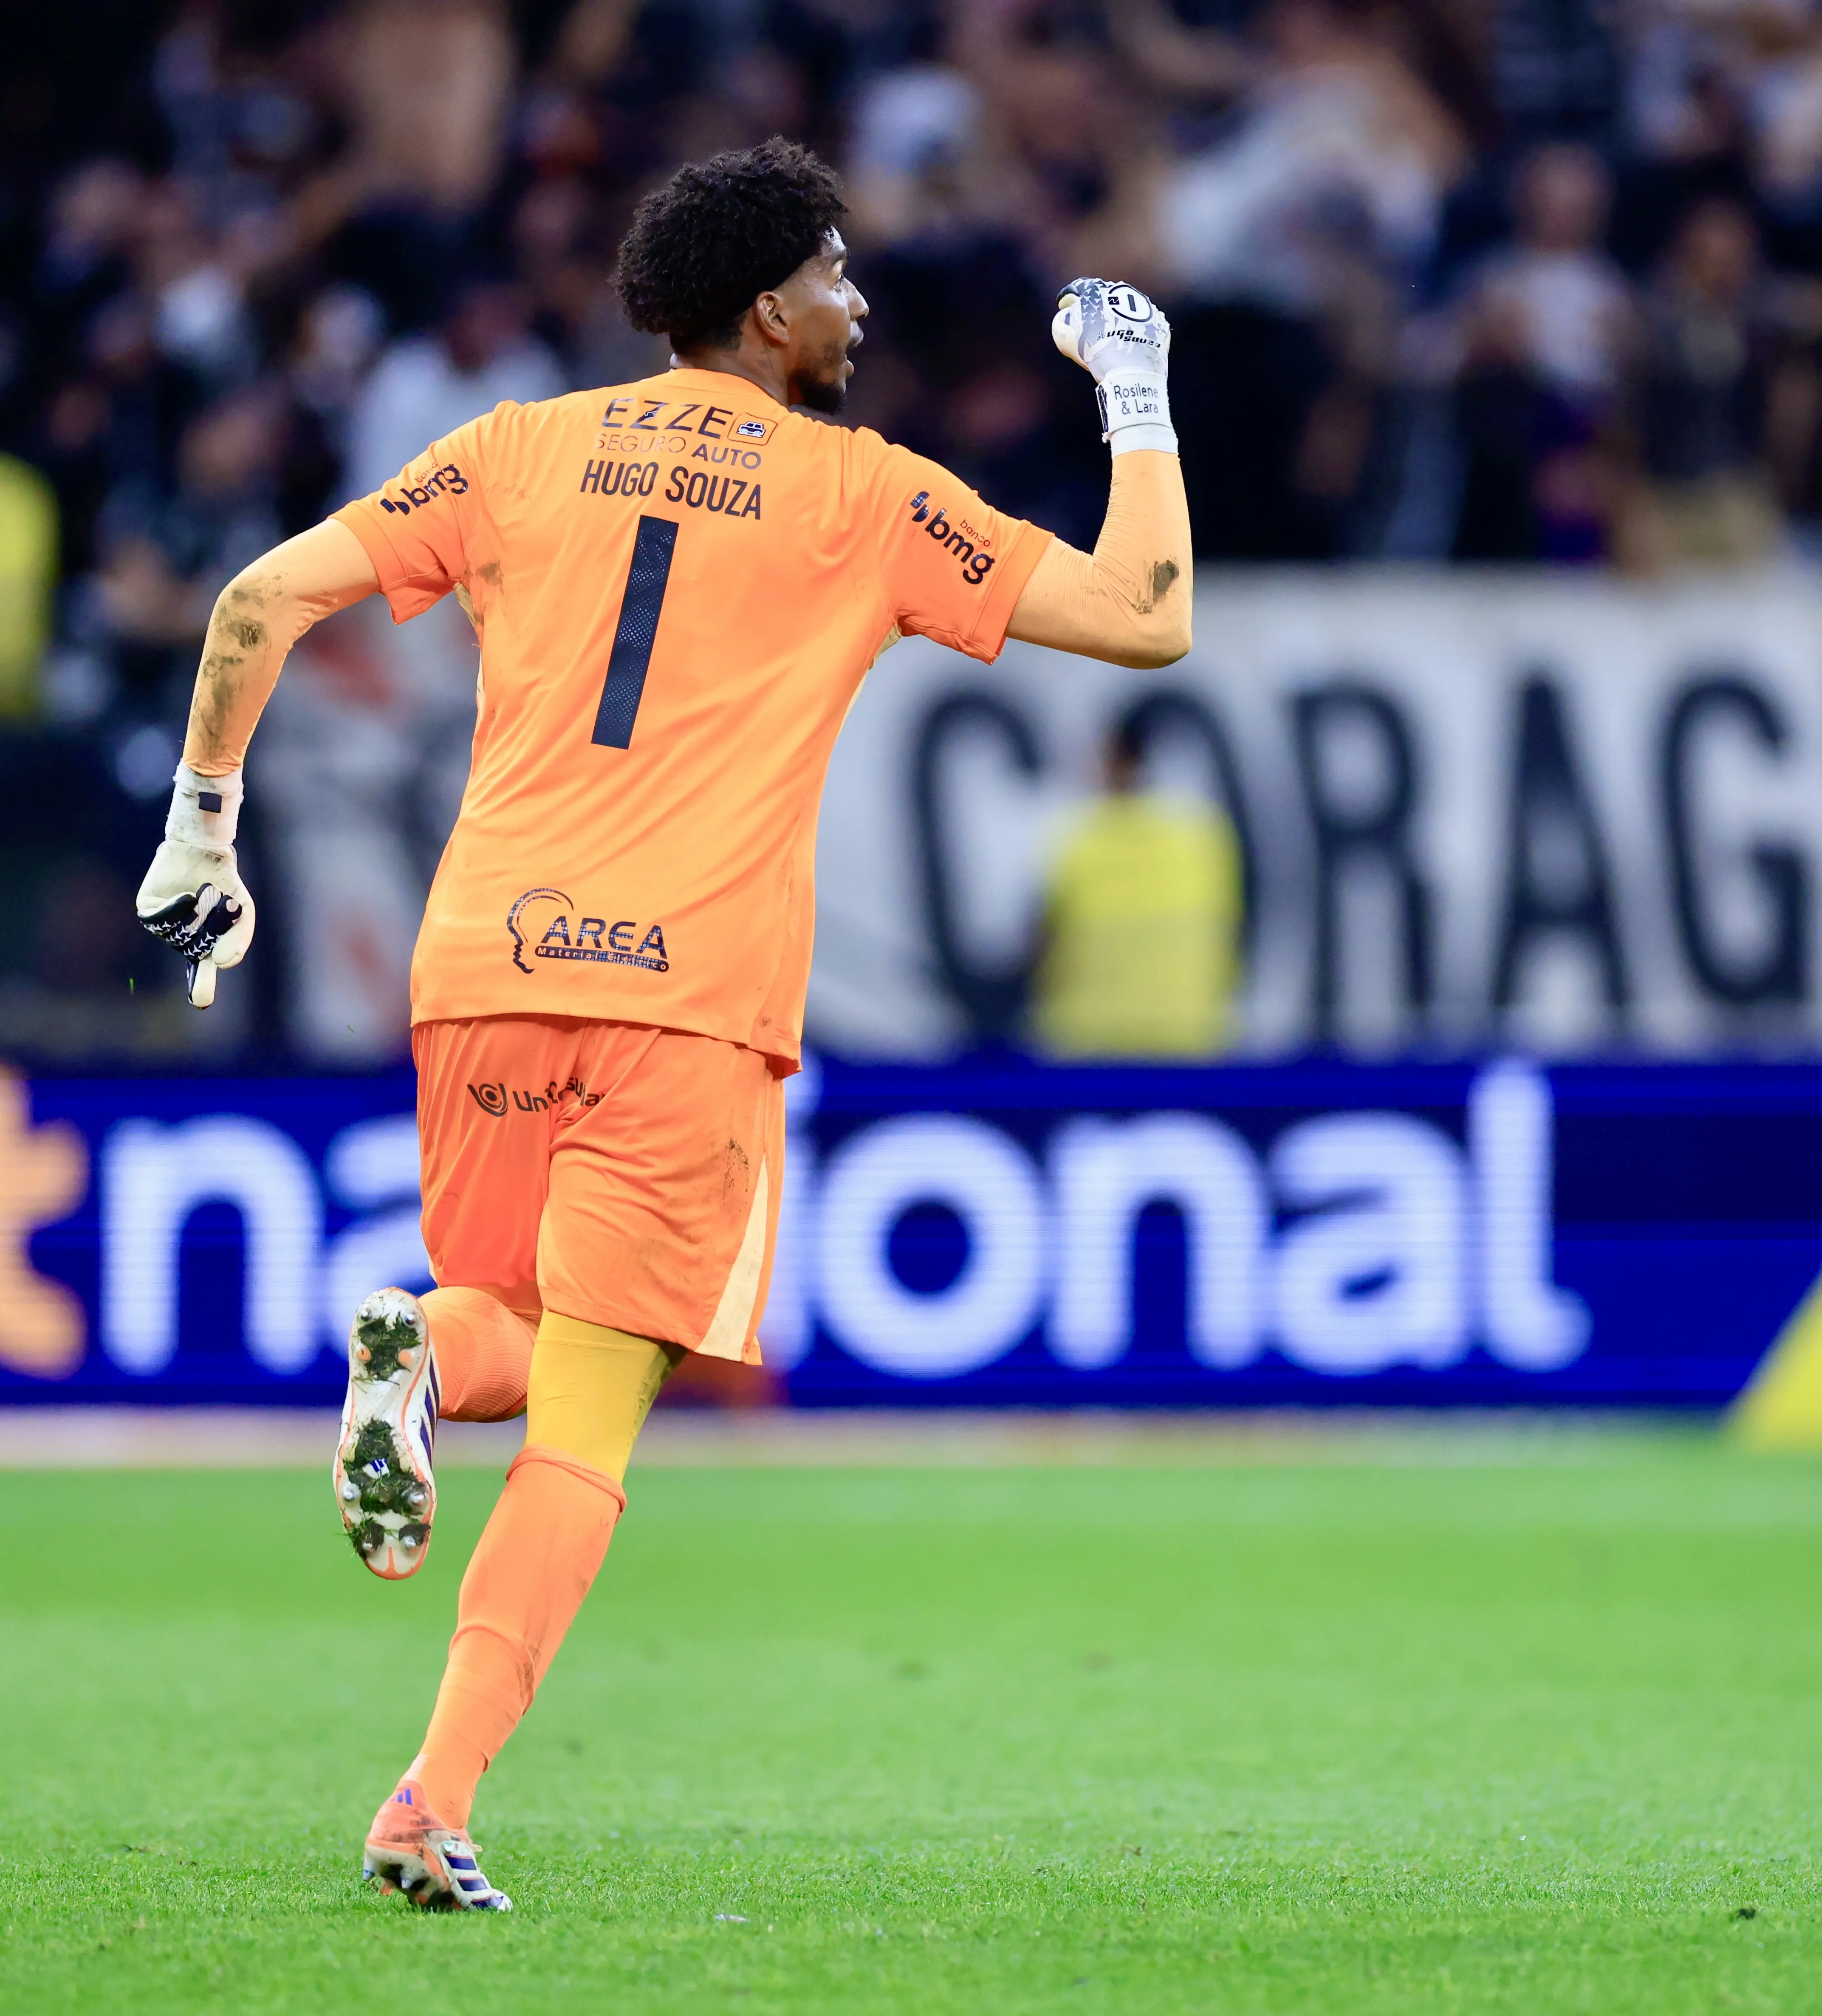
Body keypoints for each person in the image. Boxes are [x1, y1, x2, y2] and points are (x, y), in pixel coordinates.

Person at [128, 139, 1192, 1910]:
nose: (857, 301)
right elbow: (1147, 617)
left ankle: (417, 1354)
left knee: (515, 1320)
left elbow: (259, 600)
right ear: (768, 309)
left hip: (483, 967)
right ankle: (428, 1800)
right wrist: (1136, 397)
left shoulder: (511, 448)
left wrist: (201, 827)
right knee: (591, 1420)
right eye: (835, 272)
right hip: (684, 998)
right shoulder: (863, 493)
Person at [1030, 710, 1242, 1058]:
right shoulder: (1202, 835)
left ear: (1113, 761)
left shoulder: (1078, 840)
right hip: (1188, 1035)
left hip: (1093, 1040)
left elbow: (1044, 944)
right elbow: (1230, 932)